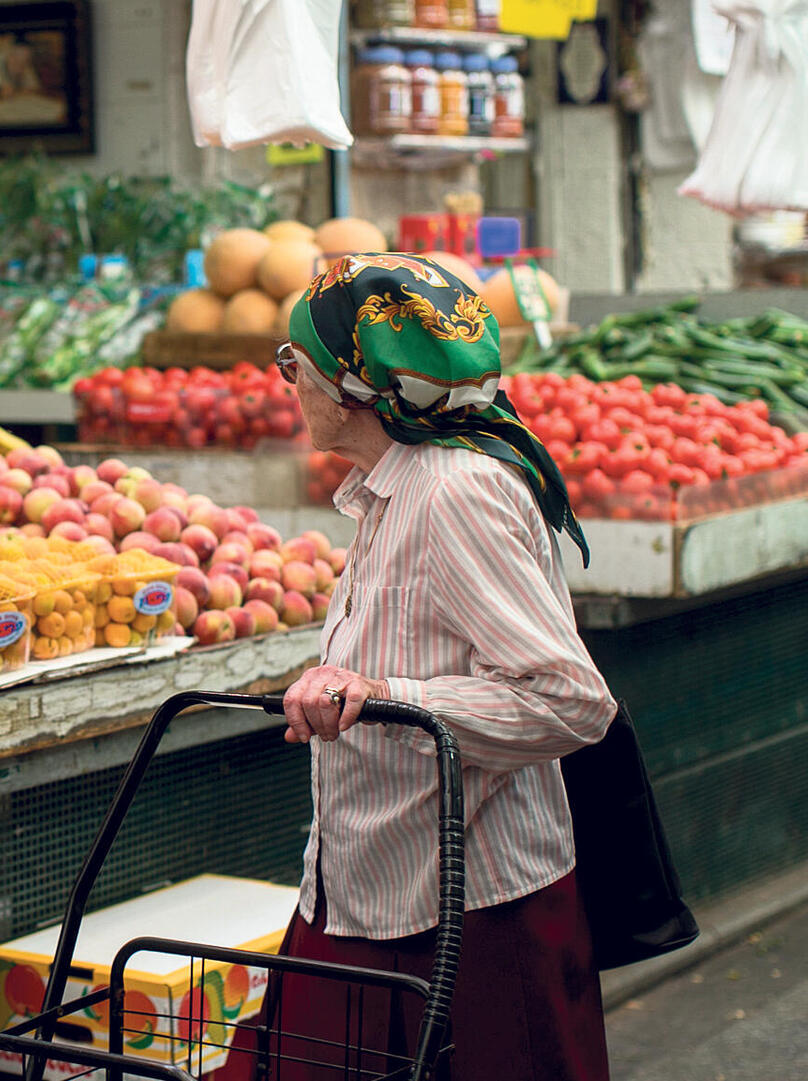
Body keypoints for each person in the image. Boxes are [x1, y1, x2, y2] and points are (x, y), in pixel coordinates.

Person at [264, 253, 615, 1080]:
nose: (287, 383)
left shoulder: (451, 492)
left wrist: (386, 695)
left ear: (352, 386)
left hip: (468, 918)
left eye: (294, 364)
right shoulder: (396, 484)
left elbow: (571, 700)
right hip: (381, 889)